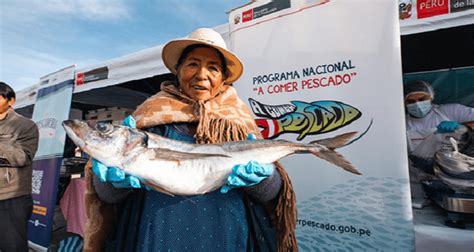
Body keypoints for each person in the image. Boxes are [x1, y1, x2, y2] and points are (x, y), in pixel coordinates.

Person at [86, 28, 298, 251]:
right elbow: (106, 197)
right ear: (178, 71)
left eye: (213, 68)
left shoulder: (239, 120)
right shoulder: (146, 116)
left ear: (223, 78)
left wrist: (263, 180)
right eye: (193, 64)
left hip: (228, 235)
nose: (202, 74)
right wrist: (113, 184)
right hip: (157, 235)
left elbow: (273, 194)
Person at [404, 80, 474, 207]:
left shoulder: (451, 111)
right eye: (411, 101)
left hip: (452, 176)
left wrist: (462, 127)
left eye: (422, 99)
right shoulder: (402, 123)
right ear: (404, 103)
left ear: (431, 97)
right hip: (417, 186)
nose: (417, 104)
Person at [0, 82, 39, 251]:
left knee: (12, 247)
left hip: (11, 197)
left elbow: (24, 156)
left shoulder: (25, 126)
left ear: (11, 101)